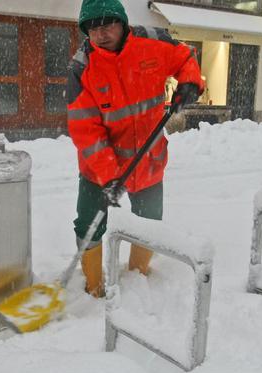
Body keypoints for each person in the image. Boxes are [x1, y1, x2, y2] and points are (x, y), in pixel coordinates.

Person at [67, 0, 204, 297]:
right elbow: (85, 129)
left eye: (108, 24)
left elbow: (185, 57)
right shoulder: (82, 67)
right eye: (93, 27)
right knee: (88, 223)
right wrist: (109, 175)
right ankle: (93, 287)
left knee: (149, 223)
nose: (101, 33)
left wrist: (190, 83)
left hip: (150, 159)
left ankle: (138, 277)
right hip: (98, 168)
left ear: (122, 22)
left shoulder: (151, 43)